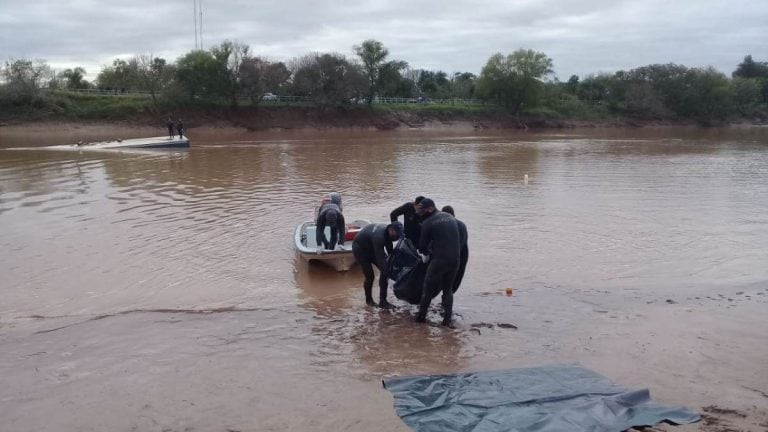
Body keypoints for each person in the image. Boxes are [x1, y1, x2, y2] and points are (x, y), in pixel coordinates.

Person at [415, 198, 460, 327]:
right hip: (455, 259)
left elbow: (422, 247)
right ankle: (447, 320)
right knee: (447, 288)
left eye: (422, 211)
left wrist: (427, 253)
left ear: (430, 209)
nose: (421, 214)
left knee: (427, 288)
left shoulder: (428, 222)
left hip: (440, 260)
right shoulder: (449, 217)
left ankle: (421, 317)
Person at [352, 222, 403, 308]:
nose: (397, 237)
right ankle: (369, 301)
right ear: (391, 230)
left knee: (386, 270)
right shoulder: (379, 237)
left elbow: (390, 251)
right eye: (396, 234)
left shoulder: (389, 233)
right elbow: (380, 258)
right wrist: (387, 272)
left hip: (372, 247)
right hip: (360, 250)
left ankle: (383, 301)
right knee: (370, 276)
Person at [441, 205, 468, 293]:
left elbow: (459, 245)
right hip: (455, 256)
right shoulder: (460, 225)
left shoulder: (460, 226)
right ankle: (444, 303)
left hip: (459, 256)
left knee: (451, 283)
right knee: (452, 283)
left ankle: (444, 302)